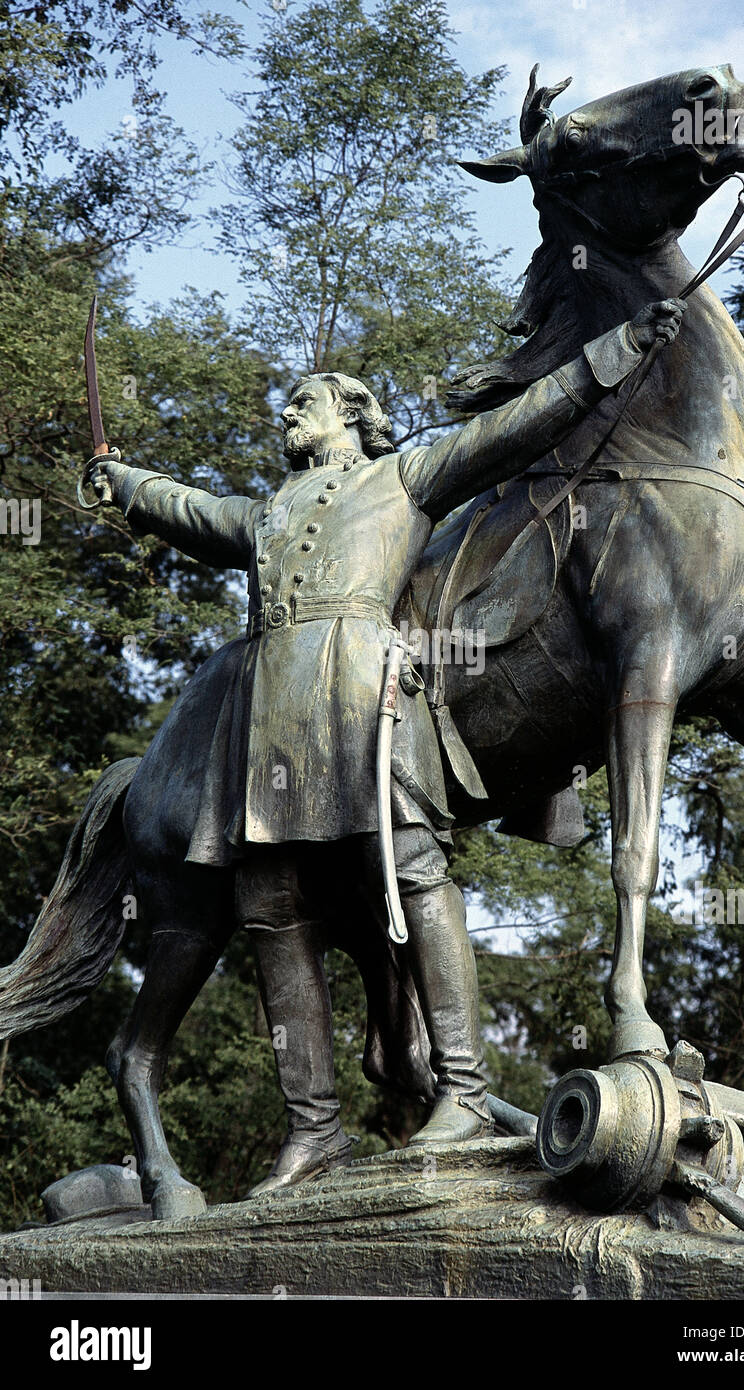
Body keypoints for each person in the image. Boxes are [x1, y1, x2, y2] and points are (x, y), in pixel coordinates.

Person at [86, 298, 686, 1192]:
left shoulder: (404, 476)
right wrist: (124, 483)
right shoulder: (267, 514)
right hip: (271, 720)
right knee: (273, 910)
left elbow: (518, 423)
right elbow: (192, 509)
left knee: (414, 874)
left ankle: (467, 1092)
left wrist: (617, 346)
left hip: (369, 704)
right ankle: (315, 1132)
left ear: (354, 418)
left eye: (305, 401)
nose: (288, 413)